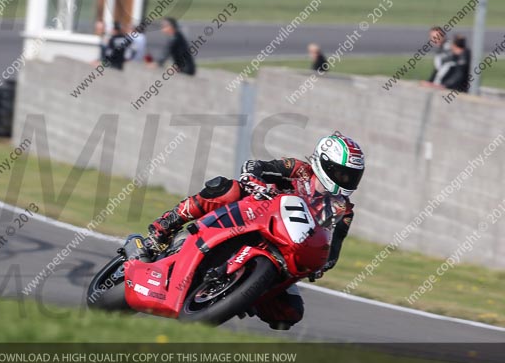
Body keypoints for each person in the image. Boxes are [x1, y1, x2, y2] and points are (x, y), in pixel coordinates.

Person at [128, 132, 364, 330]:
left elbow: (333, 249)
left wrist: (322, 263)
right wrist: (253, 180)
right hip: (256, 214)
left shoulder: (343, 210)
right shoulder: (298, 169)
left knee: (289, 314)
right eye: (341, 173)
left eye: (352, 176)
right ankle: (164, 227)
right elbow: (256, 166)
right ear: (324, 163)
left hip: (285, 251)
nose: (346, 179)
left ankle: (243, 293)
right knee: (226, 189)